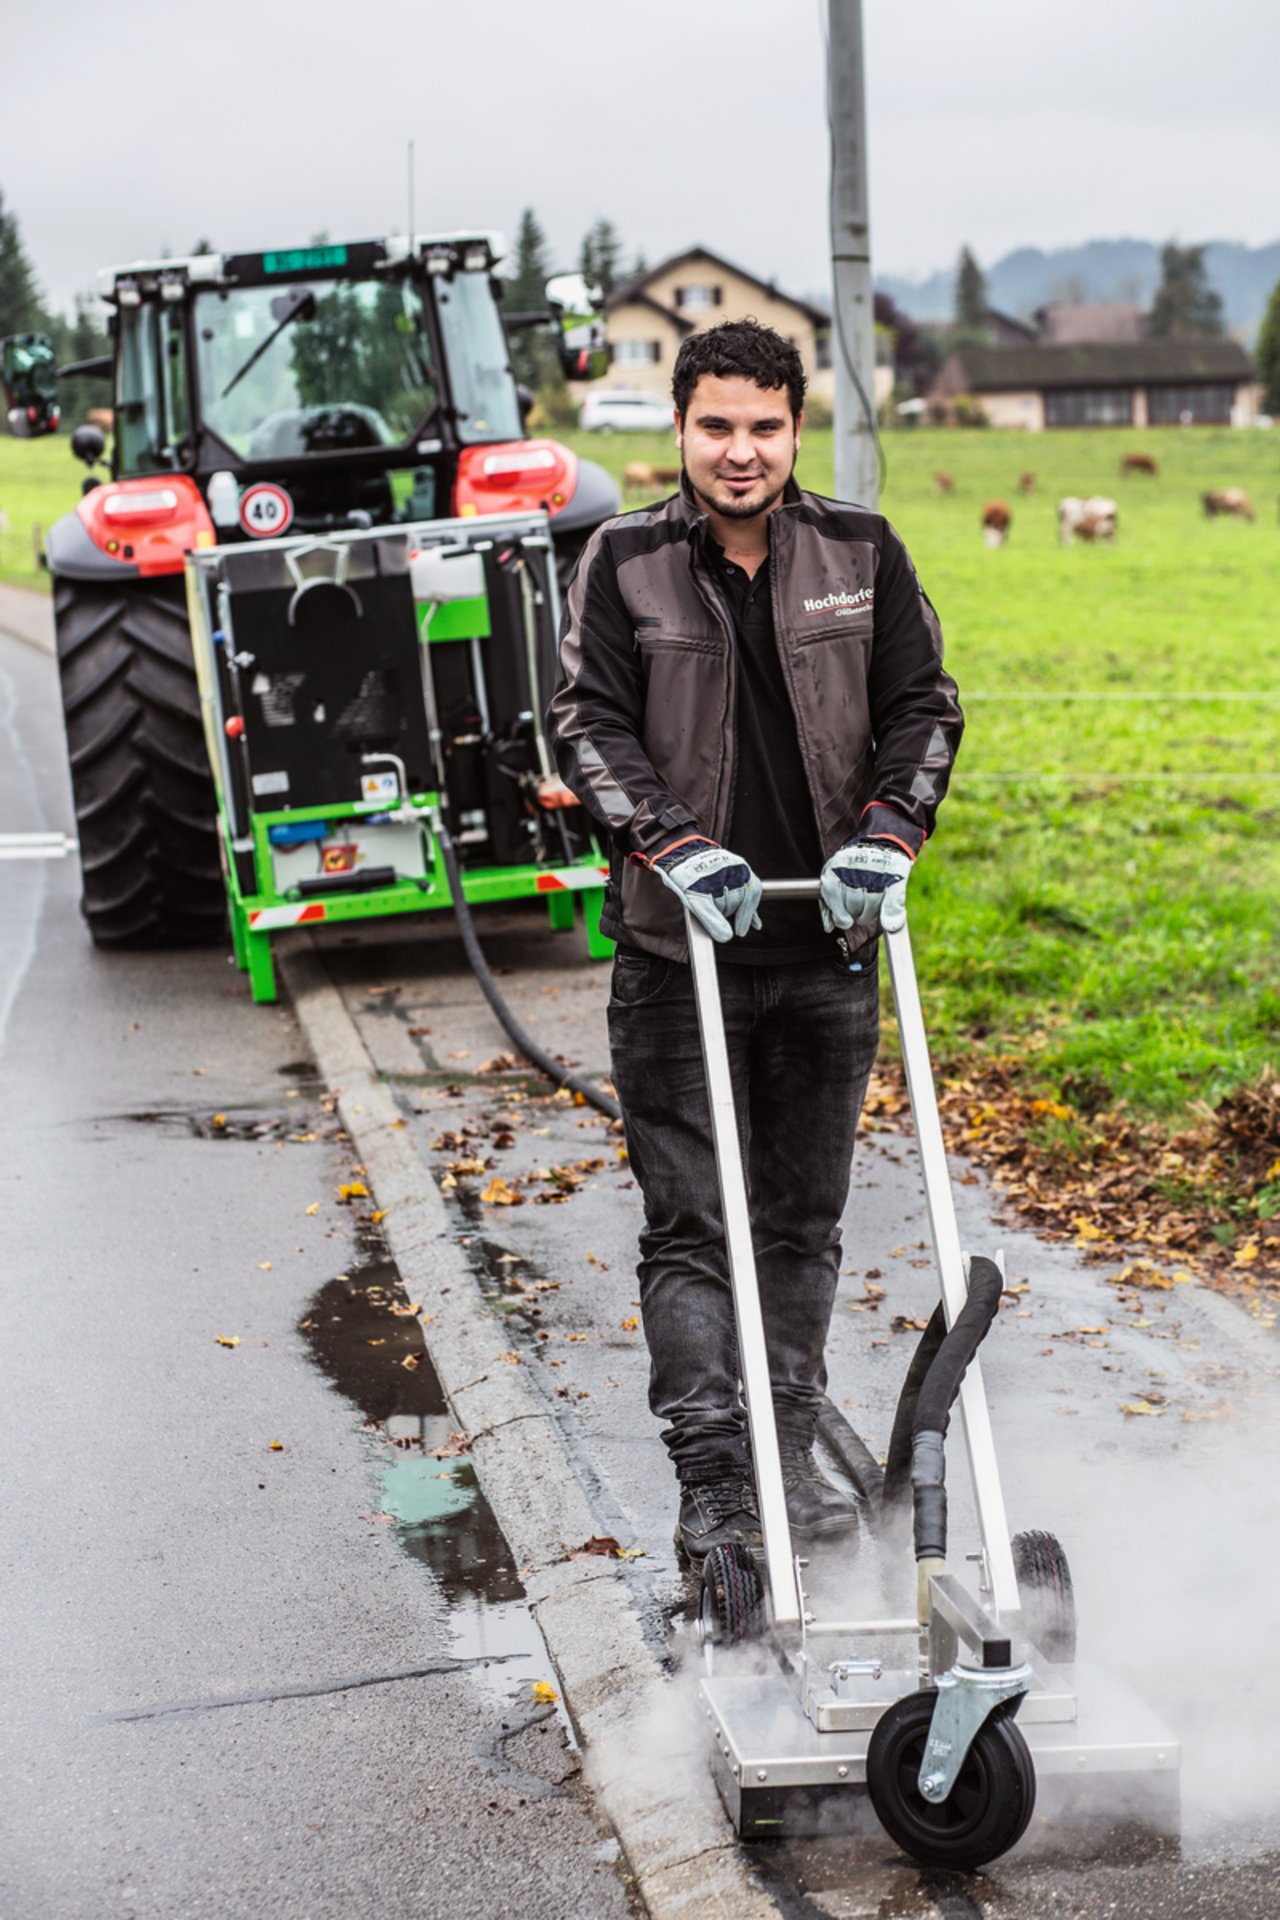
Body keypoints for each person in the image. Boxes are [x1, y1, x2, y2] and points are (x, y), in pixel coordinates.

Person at [547, 320, 963, 1567]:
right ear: (677, 428)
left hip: (827, 952)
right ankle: (719, 1494)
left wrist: (887, 835)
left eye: (764, 427)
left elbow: (921, 707)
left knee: (799, 1226)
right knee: (692, 1231)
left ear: (795, 427)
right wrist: (674, 847)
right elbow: (586, 723)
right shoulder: (621, 562)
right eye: (716, 426)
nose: (741, 452)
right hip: (680, 961)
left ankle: (787, 1450)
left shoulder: (861, 550)